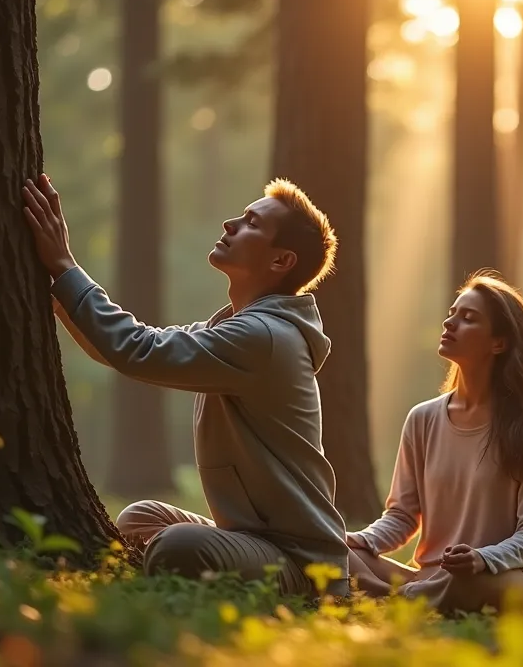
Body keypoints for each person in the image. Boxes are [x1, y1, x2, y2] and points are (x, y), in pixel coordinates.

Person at [20, 173, 350, 598]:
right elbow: (126, 348)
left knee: (177, 546)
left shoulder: (264, 337)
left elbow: (138, 348)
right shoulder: (236, 327)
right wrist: (56, 292)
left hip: (302, 567)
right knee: (140, 518)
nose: (231, 224)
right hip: (250, 540)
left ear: (280, 261)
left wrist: (65, 266)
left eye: (252, 223)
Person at [344, 272, 523, 616]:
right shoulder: (422, 418)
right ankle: (413, 597)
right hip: (437, 577)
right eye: (452, 313)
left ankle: (395, 599)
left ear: (498, 343)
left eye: (468, 318)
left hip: (508, 576)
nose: (450, 323)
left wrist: (482, 559)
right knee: (338, 552)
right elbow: (402, 516)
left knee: (485, 584)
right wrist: (360, 540)